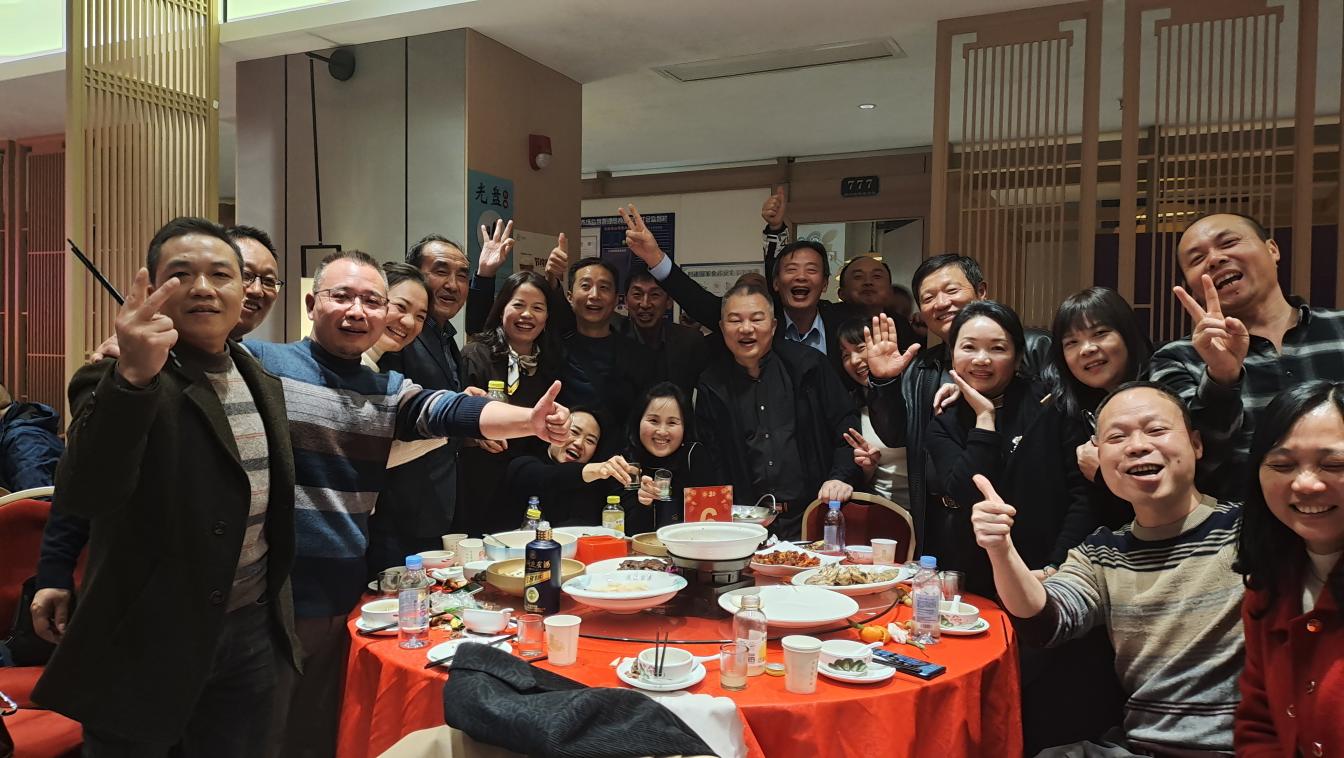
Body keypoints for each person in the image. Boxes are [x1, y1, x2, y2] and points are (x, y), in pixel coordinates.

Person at [245, 249, 572, 758]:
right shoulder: (262, 363)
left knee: (316, 728)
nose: (358, 311)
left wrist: (529, 421)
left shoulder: (387, 389)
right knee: (255, 730)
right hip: (266, 593)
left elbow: (448, 410)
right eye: (342, 296)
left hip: (338, 589)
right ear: (312, 303)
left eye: (372, 301)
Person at [31, 217, 301, 757]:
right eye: (181, 274)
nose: (203, 288)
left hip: (252, 628)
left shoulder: (260, 378)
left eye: (221, 274)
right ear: (153, 288)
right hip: (150, 636)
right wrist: (132, 378)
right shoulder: (116, 375)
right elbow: (86, 492)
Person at [971, 381, 1245, 756]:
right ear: (1099, 457)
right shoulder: (1102, 553)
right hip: (1142, 746)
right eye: (1116, 437)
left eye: (1156, 430)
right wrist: (1000, 548)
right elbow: (1044, 619)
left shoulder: (1248, 532)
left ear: (1196, 444)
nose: (1137, 446)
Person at [861, 253, 1052, 555]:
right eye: (928, 297)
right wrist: (884, 382)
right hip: (942, 520)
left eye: (951, 290)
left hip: (1017, 519)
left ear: (981, 291)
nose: (941, 303)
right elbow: (896, 435)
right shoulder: (921, 368)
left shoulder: (1035, 347)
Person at [1152, 212, 1344, 500]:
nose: (1214, 259)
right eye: (1197, 259)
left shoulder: (1339, 328)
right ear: (1192, 285)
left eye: (1228, 242)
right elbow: (1197, 463)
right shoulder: (1176, 359)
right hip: (1242, 522)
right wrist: (1221, 378)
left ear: (1272, 249)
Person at [618, 204, 917, 377]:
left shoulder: (844, 323)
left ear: (825, 284)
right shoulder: (756, 322)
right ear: (776, 283)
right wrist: (654, 257)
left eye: (811, 270)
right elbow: (696, 300)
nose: (801, 277)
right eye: (791, 270)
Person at [925, 301, 1097, 595]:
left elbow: (1083, 496)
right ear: (952, 354)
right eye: (969, 347)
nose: (981, 359)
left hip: (1047, 573)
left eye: (997, 348)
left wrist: (1058, 565)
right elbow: (965, 493)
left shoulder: (1050, 405)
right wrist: (984, 418)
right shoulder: (944, 420)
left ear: (1017, 358)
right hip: (975, 575)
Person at [694, 282, 861, 539]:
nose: (746, 328)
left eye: (756, 319)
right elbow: (710, 458)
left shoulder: (808, 366)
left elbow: (845, 424)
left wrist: (840, 477)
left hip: (812, 515)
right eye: (735, 320)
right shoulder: (712, 384)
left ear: (773, 326)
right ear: (722, 328)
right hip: (744, 524)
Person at [1233, 381, 1344, 756]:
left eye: (1334, 465)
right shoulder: (1268, 587)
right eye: (1282, 465)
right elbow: (1258, 721)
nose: (1305, 484)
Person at [458, 270, 567, 536]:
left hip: (531, 482)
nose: (527, 315)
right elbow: (451, 417)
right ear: (501, 309)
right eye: (518, 305)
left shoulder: (553, 361)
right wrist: (473, 434)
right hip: (481, 481)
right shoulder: (476, 354)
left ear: (547, 317)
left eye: (537, 308)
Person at [1048, 286, 1153, 528]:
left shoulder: (1164, 392)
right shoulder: (1069, 411)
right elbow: (1081, 503)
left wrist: (1105, 473)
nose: (1087, 349)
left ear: (1128, 334)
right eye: (1072, 342)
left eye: (1100, 333)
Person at [502, 409, 636, 527]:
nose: (579, 443)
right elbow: (549, 478)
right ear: (552, 431)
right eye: (574, 432)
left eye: (590, 440)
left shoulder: (597, 484)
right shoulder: (523, 465)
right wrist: (596, 469)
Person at [621, 382, 721, 533]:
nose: (662, 431)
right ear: (638, 421)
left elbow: (710, 525)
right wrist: (644, 504)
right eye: (653, 421)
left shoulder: (694, 456)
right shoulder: (627, 462)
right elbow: (622, 530)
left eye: (672, 422)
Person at [832, 319, 909, 507]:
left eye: (860, 348)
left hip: (924, 508)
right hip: (878, 508)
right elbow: (862, 480)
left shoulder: (915, 391)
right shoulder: (851, 405)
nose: (854, 360)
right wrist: (868, 467)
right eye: (845, 355)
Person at [617, 269, 710, 397]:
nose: (645, 304)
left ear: (669, 302)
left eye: (654, 295)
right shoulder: (614, 339)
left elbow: (709, 390)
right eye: (637, 295)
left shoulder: (690, 342)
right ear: (626, 302)